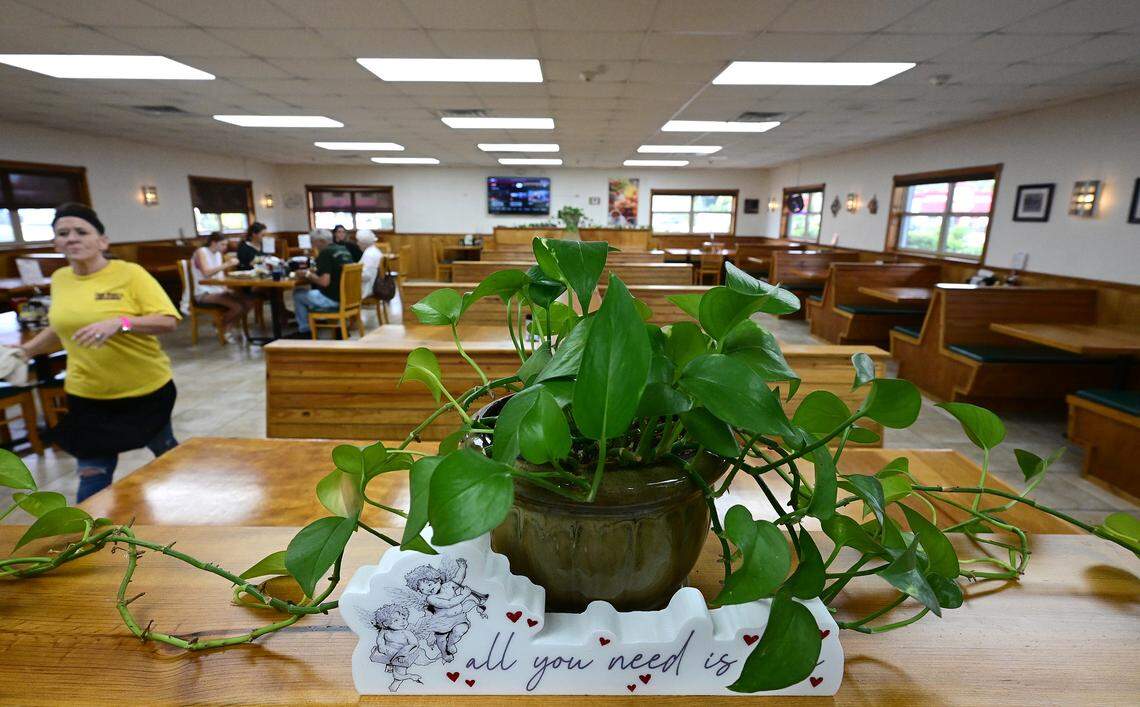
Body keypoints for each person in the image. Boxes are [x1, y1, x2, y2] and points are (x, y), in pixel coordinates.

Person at [14, 203, 181, 502]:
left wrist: (121, 322)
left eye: (81, 231)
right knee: (92, 472)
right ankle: (87, 530)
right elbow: (61, 328)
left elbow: (168, 321)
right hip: (88, 393)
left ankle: (189, 514)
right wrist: (27, 350)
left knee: (167, 455)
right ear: (56, 243)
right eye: (63, 233)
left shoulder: (131, 274)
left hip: (144, 390)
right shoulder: (60, 279)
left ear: (102, 241)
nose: (72, 238)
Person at [292, 229, 353, 336]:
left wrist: (307, 274)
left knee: (298, 294)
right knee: (306, 292)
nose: (312, 245)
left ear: (321, 241)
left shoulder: (325, 253)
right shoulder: (343, 249)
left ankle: (305, 331)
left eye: (313, 242)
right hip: (349, 297)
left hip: (333, 299)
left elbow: (324, 282)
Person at [191, 232, 248, 341]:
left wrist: (225, 288)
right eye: (222, 244)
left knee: (247, 302)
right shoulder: (201, 251)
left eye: (226, 244)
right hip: (203, 292)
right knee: (237, 307)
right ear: (213, 243)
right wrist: (227, 264)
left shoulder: (217, 254)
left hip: (217, 289)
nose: (225, 247)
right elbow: (207, 273)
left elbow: (219, 276)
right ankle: (222, 327)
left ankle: (224, 327)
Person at [356, 229, 384, 298]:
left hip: (368, 289)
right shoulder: (375, 251)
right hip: (376, 285)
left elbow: (366, 275)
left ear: (364, 242)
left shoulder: (369, 255)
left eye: (358, 241)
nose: (357, 244)